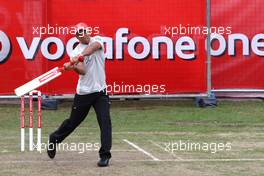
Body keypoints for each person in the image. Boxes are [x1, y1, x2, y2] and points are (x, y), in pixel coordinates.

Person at [47, 22, 112, 167]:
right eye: (79, 33)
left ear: (88, 31)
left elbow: (92, 49)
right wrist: (72, 66)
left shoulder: (97, 41)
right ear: (76, 36)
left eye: (84, 30)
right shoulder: (74, 52)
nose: (82, 34)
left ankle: (105, 155)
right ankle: (54, 138)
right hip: (84, 93)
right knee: (73, 122)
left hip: (101, 92)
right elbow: (83, 71)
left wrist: (79, 57)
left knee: (105, 121)